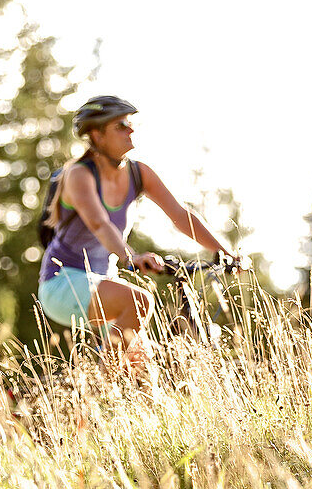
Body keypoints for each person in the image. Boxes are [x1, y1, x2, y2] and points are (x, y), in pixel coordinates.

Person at [37, 96, 239, 369]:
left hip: (103, 282)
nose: (130, 130)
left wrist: (225, 253)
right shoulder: (79, 175)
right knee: (139, 300)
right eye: (120, 125)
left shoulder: (138, 173)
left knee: (144, 369)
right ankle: (103, 386)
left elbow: (180, 216)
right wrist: (130, 257)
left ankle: (85, 403)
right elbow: (99, 224)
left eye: (130, 123)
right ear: (97, 135)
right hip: (63, 282)